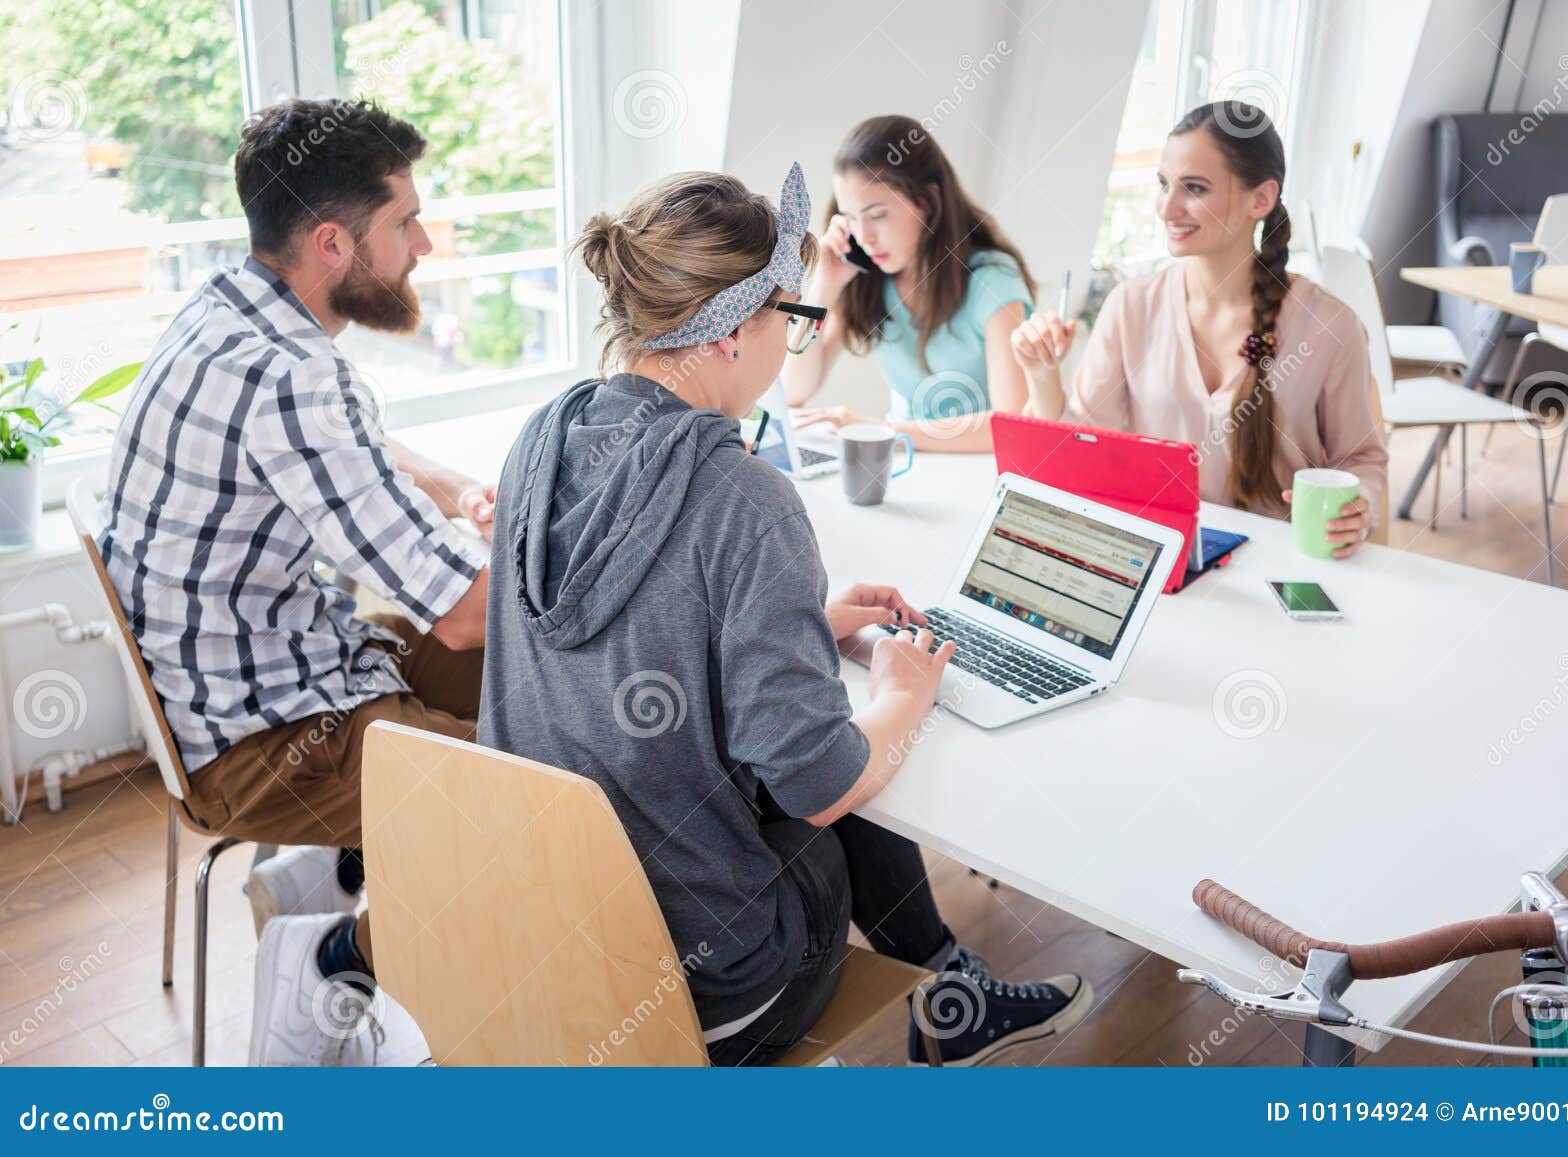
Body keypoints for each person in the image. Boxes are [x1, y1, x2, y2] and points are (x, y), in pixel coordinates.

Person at [478, 162, 1091, 1066]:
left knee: (788, 742)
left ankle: (955, 994)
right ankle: (951, 999)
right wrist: (902, 691)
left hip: (540, 932)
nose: (794, 347)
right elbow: (821, 782)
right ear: (733, 332)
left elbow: (613, 637)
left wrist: (792, 624)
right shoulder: (747, 497)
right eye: (796, 320)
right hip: (705, 986)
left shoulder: (543, 438)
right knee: (851, 793)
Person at [100, 98, 494, 1065]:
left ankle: (324, 876)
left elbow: (339, 445)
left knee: (527, 691)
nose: (424, 243)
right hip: (257, 740)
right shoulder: (298, 380)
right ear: (332, 242)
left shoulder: (224, 310)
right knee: (537, 788)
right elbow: (465, 614)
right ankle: (328, 959)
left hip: (233, 685)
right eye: (404, 222)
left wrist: (448, 487)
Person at [1012, 101, 1387, 555]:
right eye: (1164, 184)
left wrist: (1359, 504)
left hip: (1283, 570)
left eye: (1194, 188)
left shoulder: (1330, 326)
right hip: (1163, 562)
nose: (1168, 209)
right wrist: (1042, 375)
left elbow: (1362, 462)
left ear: (1261, 199)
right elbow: (1082, 456)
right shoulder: (1130, 307)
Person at [782, 115, 1059, 453]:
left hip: (971, 467)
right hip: (904, 459)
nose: (864, 236)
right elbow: (794, 390)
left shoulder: (992, 279)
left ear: (926, 202)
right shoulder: (868, 277)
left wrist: (882, 430)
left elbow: (1008, 424)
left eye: (877, 215)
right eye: (851, 217)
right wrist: (823, 289)